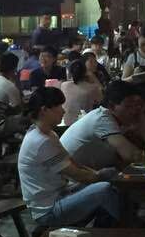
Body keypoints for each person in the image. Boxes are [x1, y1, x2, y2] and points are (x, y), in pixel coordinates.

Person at [18, 87, 123, 229]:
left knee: (109, 183)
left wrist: (99, 174)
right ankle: (125, 229)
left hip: (61, 194)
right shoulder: (40, 141)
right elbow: (77, 174)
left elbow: (74, 164)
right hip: (48, 210)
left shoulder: (48, 134)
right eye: (59, 106)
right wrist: (100, 176)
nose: (63, 111)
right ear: (44, 110)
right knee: (105, 189)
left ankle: (110, 231)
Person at [59, 79, 145, 169]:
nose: (134, 110)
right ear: (112, 106)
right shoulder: (102, 119)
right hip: (70, 176)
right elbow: (132, 155)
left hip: (87, 173)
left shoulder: (118, 121)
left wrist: (142, 118)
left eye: (138, 105)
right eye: (129, 106)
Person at [59, 57, 104, 126]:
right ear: (86, 72)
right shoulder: (93, 88)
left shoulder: (64, 85)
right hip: (83, 125)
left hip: (66, 124)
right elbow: (102, 99)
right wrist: (93, 77)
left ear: (69, 72)